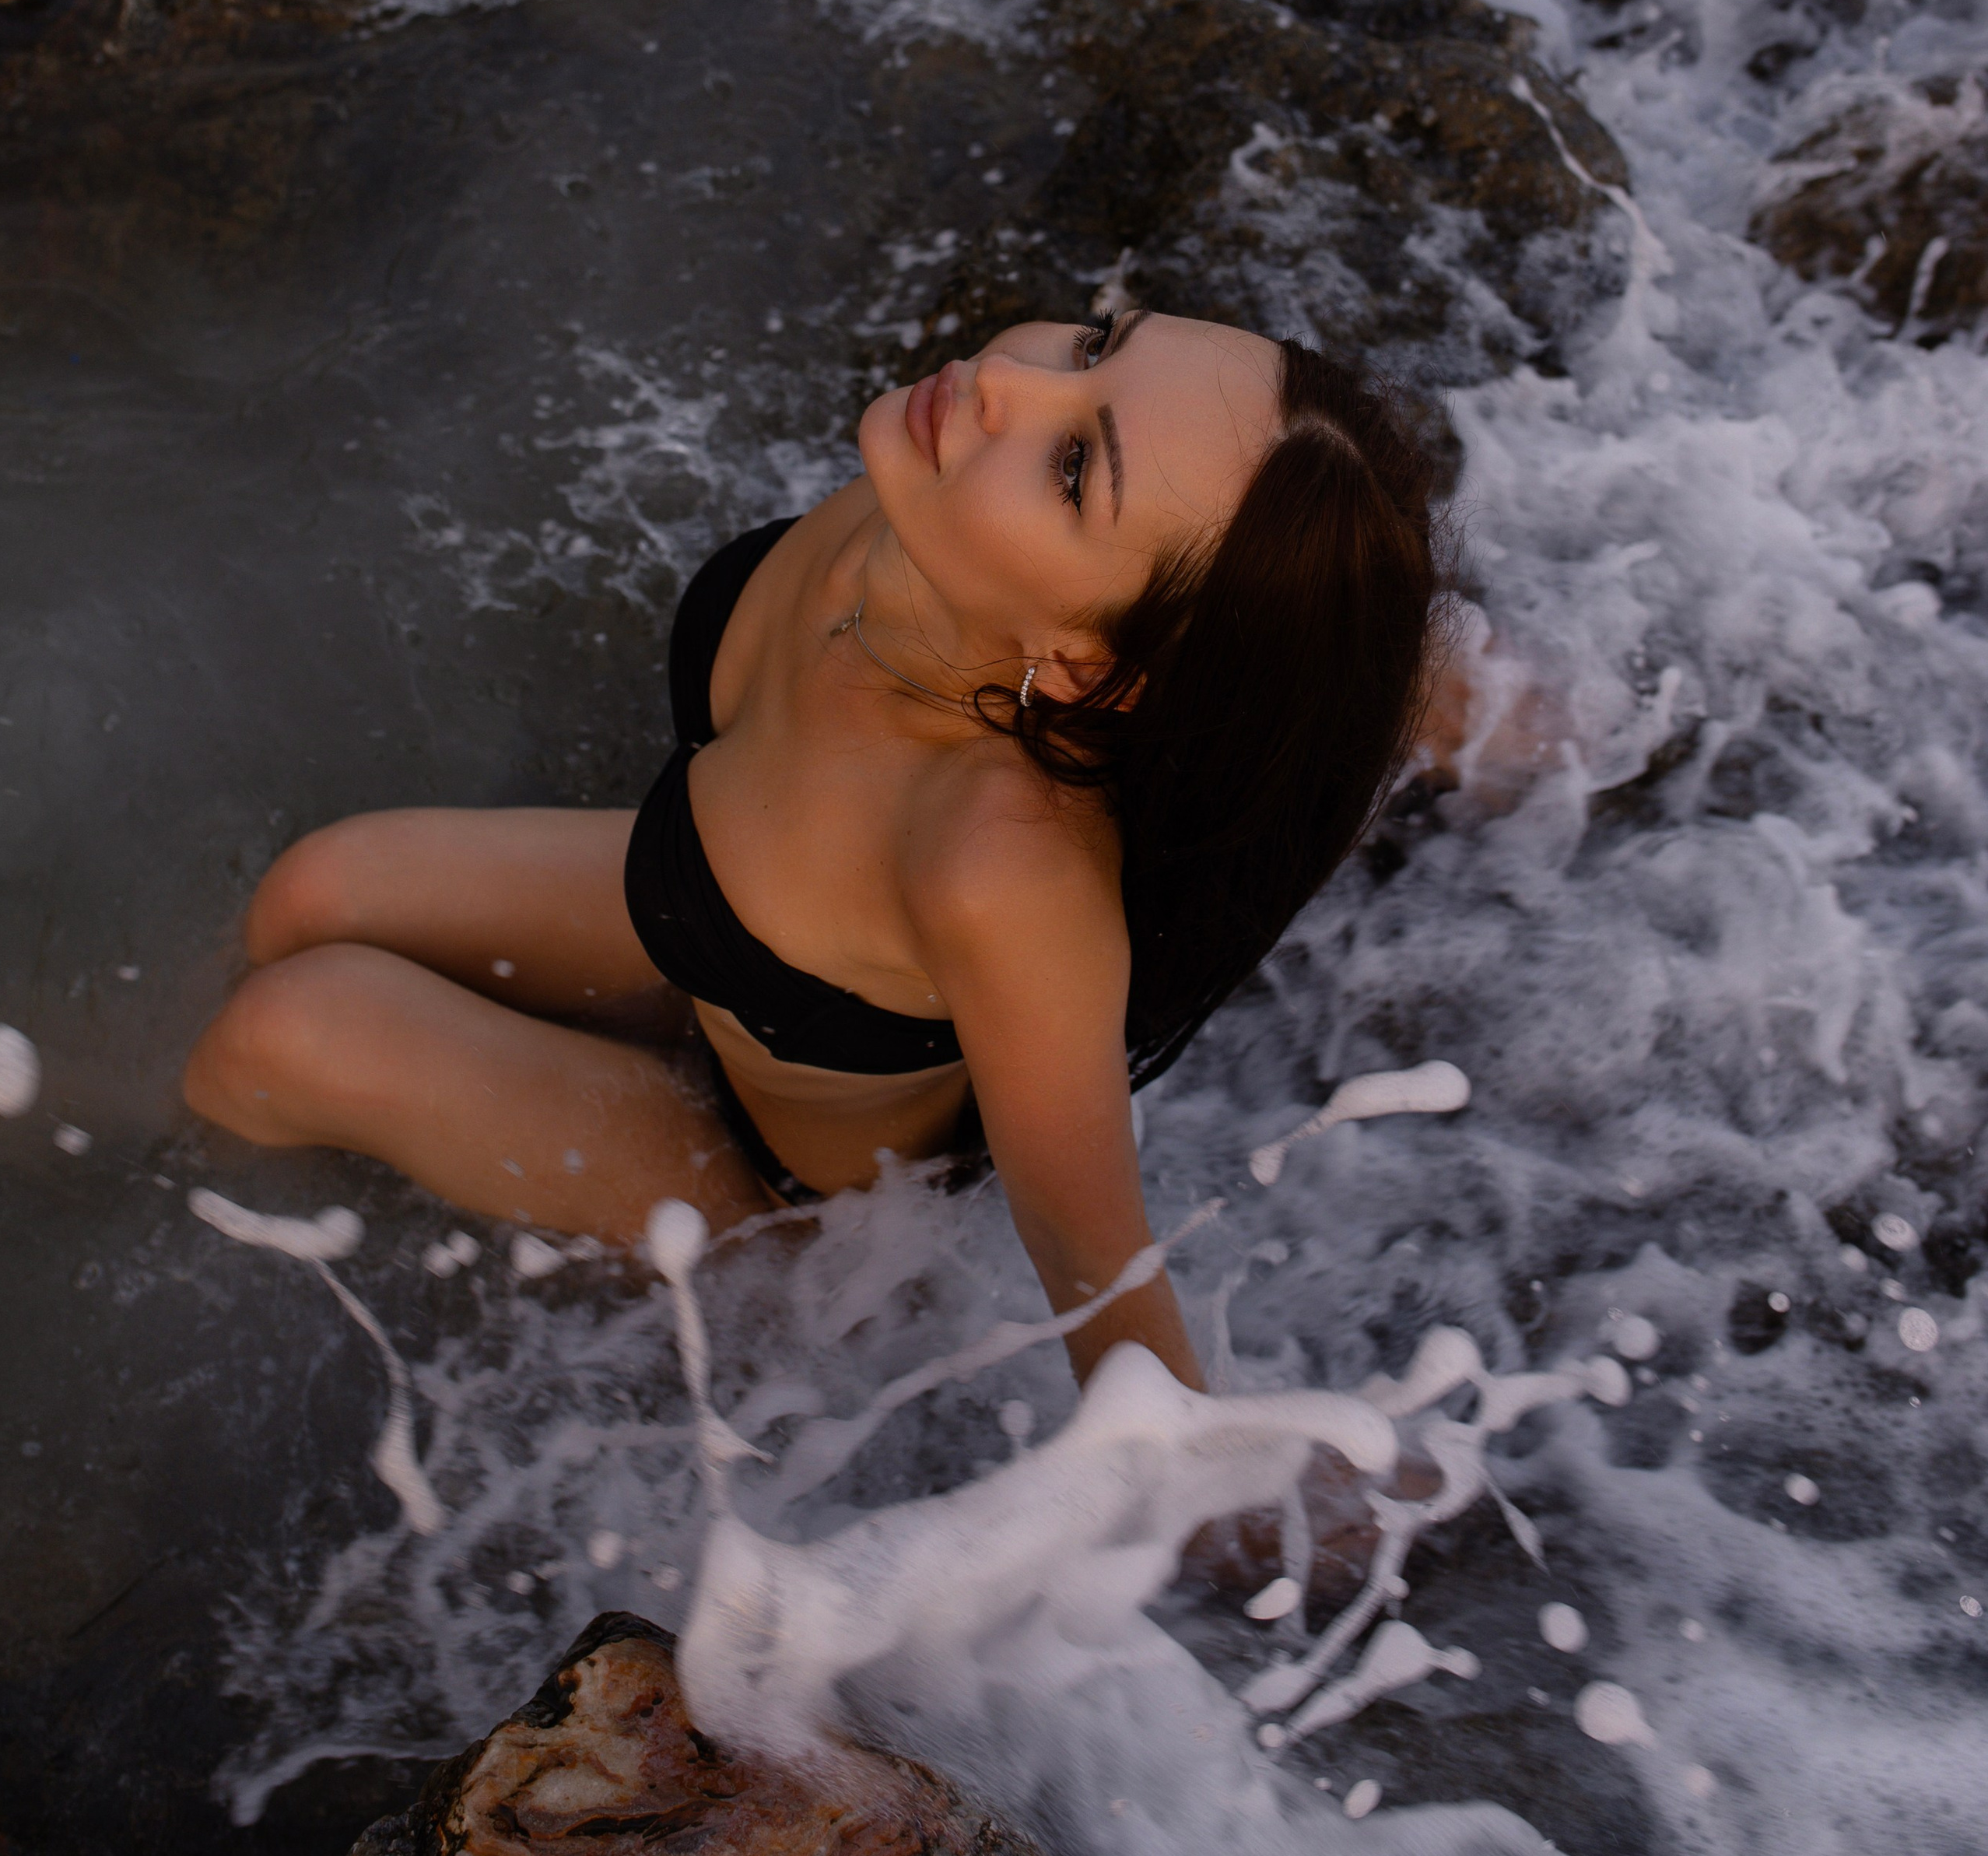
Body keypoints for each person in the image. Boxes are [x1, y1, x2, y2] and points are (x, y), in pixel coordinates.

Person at [184, 308, 1442, 1395]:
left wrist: (1201, 1512)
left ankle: (134, 1190)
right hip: (720, 935)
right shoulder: (933, 501)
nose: (1014, 378)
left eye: (1072, 467)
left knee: (275, 1038)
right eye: (1099, 344)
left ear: (1081, 668)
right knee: (307, 893)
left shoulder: (1000, 869)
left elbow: (1084, 1237)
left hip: (783, 1184)